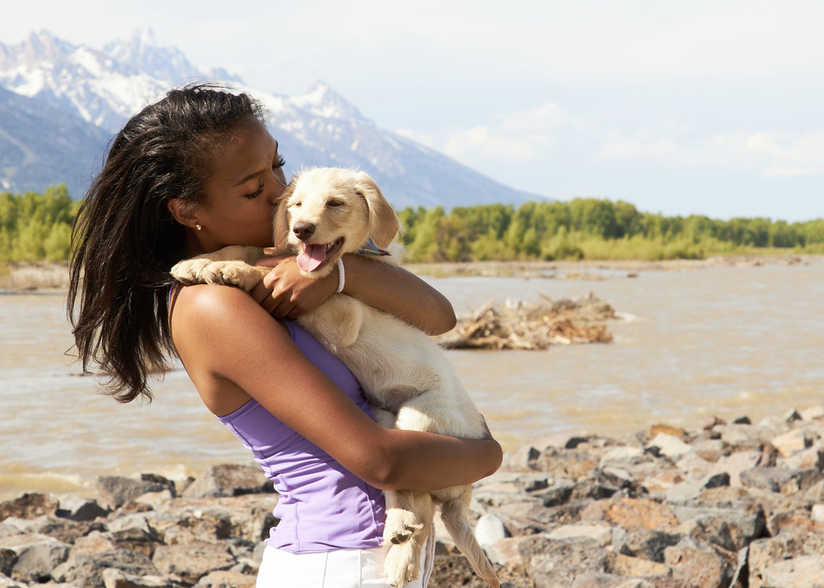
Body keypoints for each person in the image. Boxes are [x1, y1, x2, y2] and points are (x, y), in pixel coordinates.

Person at [67, 83, 502, 588]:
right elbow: (380, 460)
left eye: (278, 165)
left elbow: (438, 316)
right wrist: (488, 452)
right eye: (253, 189)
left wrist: (338, 275)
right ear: (187, 211)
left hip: (366, 555)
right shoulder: (213, 304)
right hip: (339, 562)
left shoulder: (281, 270)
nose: (283, 194)